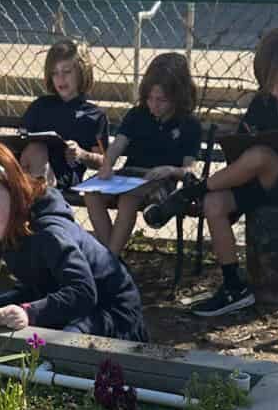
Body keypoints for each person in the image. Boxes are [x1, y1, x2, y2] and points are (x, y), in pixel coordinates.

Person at [145, 25, 278, 318]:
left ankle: (190, 191)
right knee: (215, 203)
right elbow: (245, 139)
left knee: (262, 155)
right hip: (256, 181)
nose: (275, 89)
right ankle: (233, 286)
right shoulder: (263, 100)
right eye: (268, 82)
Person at [0, 142, 147, 342]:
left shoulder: (50, 233)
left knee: (61, 344)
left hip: (110, 311)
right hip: (53, 293)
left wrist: (29, 312)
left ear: (15, 194)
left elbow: (83, 292)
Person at [83, 52, 202, 257]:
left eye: (161, 100)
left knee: (128, 199)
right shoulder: (138, 115)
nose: (153, 105)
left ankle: (108, 262)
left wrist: (171, 170)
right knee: (91, 193)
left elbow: (190, 169)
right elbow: (118, 144)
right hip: (129, 175)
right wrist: (107, 164)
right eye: (149, 98)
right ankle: (111, 259)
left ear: (178, 97)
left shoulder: (189, 124)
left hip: (160, 180)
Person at [19, 39, 109, 190]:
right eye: (55, 73)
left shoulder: (94, 115)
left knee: (37, 152)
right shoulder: (40, 106)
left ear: (82, 72)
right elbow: (21, 138)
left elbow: (104, 162)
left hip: (63, 175)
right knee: (35, 149)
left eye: (67, 72)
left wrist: (82, 154)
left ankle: (37, 197)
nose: (60, 79)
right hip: (27, 169)